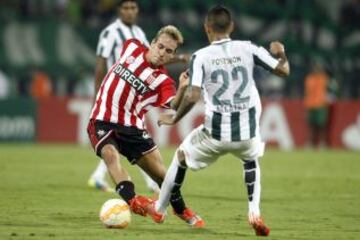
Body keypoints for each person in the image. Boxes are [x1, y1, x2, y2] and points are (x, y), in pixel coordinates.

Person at [148, 5, 290, 236]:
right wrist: (281, 52)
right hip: (247, 133)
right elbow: (283, 71)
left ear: (207, 28)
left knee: (181, 155)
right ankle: (254, 212)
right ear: (231, 26)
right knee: (251, 159)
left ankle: (160, 209)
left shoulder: (201, 56)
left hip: (215, 133)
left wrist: (175, 118)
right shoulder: (248, 48)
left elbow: (193, 95)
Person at [87, 25, 204, 227]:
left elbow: (174, 105)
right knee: (109, 155)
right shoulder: (131, 46)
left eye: (169, 51)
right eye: (160, 46)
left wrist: (183, 88)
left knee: (163, 177)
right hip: (101, 119)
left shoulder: (164, 82)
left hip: (132, 127)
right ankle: (134, 201)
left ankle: (180, 210)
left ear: (172, 54)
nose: (162, 53)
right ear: (151, 43)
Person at [88, 0, 188, 193]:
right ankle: (152, 183)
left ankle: (104, 177)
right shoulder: (110, 33)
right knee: (123, 139)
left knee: (127, 138)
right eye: (126, 8)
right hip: (116, 91)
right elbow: (101, 66)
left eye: (133, 8)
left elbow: (156, 54)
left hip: (137, 93)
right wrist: (97, 96)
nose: (130, 12)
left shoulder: (139, 34)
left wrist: (178, 58)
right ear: (119, 11)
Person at [303, 62, 330, 149]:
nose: (316, 69)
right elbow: (307, 92)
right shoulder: (309, 78)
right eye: (315, 67)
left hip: (320, 104)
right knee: (311, 126)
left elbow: (328, 89)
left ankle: (322, 143)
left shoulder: (324, 78)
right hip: (310, 104)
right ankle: (310, 143)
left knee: (321, 126)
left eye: (318, 67)